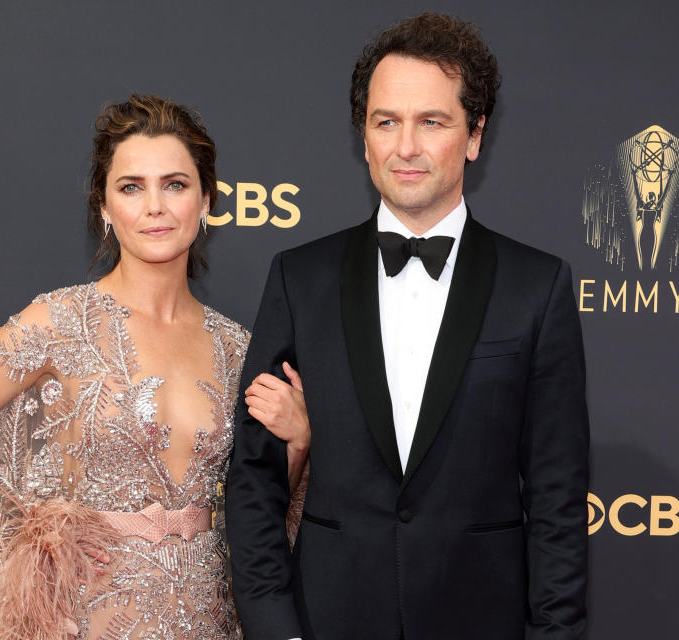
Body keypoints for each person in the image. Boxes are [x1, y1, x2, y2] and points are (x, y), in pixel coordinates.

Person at [0, 94, 309, 640]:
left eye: (175, 184)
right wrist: (23, 547)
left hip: (209, 619)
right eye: (130, 187)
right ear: (103, 205)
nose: (155, 207)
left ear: (207, 199)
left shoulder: (237, 346)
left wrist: (299, 443)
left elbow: (257, 509)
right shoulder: (58, 321)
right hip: (87, 617)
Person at [227, 12, 589, 640]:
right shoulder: (299, 277)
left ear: (474, 136)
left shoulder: (538, 285)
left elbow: (558, 497)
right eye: (386, 121)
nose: (406, 147)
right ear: (363, 136)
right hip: (326, 621)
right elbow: (254, 478)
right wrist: (274, 626)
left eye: (433, 122)